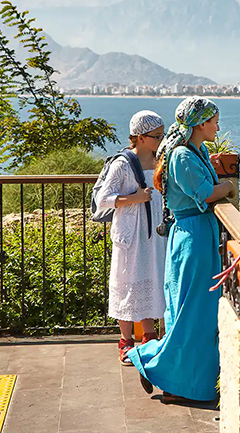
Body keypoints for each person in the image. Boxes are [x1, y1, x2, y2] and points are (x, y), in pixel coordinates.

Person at [129, 97, 236, 404]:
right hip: (194, 238)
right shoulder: (183, 156)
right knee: (193, 314)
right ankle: (154, 363)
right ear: (201, 123)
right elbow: (204, 193)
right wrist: (228, 187)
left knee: (197, 314)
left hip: (200, 236)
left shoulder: (197, 150)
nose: (217, 126)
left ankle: (186, 382)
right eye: (214, 121)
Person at [95, 110, 167, 365]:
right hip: (131, 234)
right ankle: (126, 342)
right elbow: (103, 199)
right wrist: (135, 198)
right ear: (140, 137)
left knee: (151, 280)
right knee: (127, 283)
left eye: (162, 134)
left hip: (155, 234)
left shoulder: (161, 161)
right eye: (157, 136)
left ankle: (149, 337)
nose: (161, 139)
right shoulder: (123, 164)